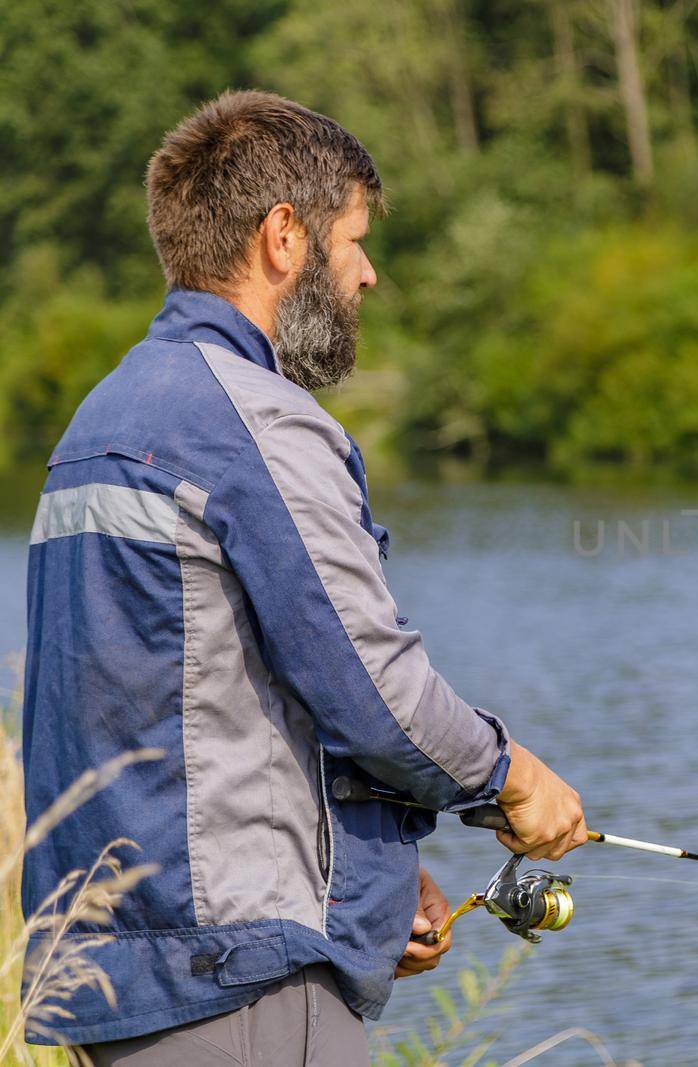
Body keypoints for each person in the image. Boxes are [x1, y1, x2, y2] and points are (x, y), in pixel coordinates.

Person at [20, 90, 586, 1065]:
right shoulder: (254, 423)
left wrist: (369, 863)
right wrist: (506, 776)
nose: (369, 272)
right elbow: (373, 684)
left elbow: (186, 700)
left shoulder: (101, 421)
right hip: (237, 980)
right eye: (355, 238)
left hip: (113, 978)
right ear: (285, 236)